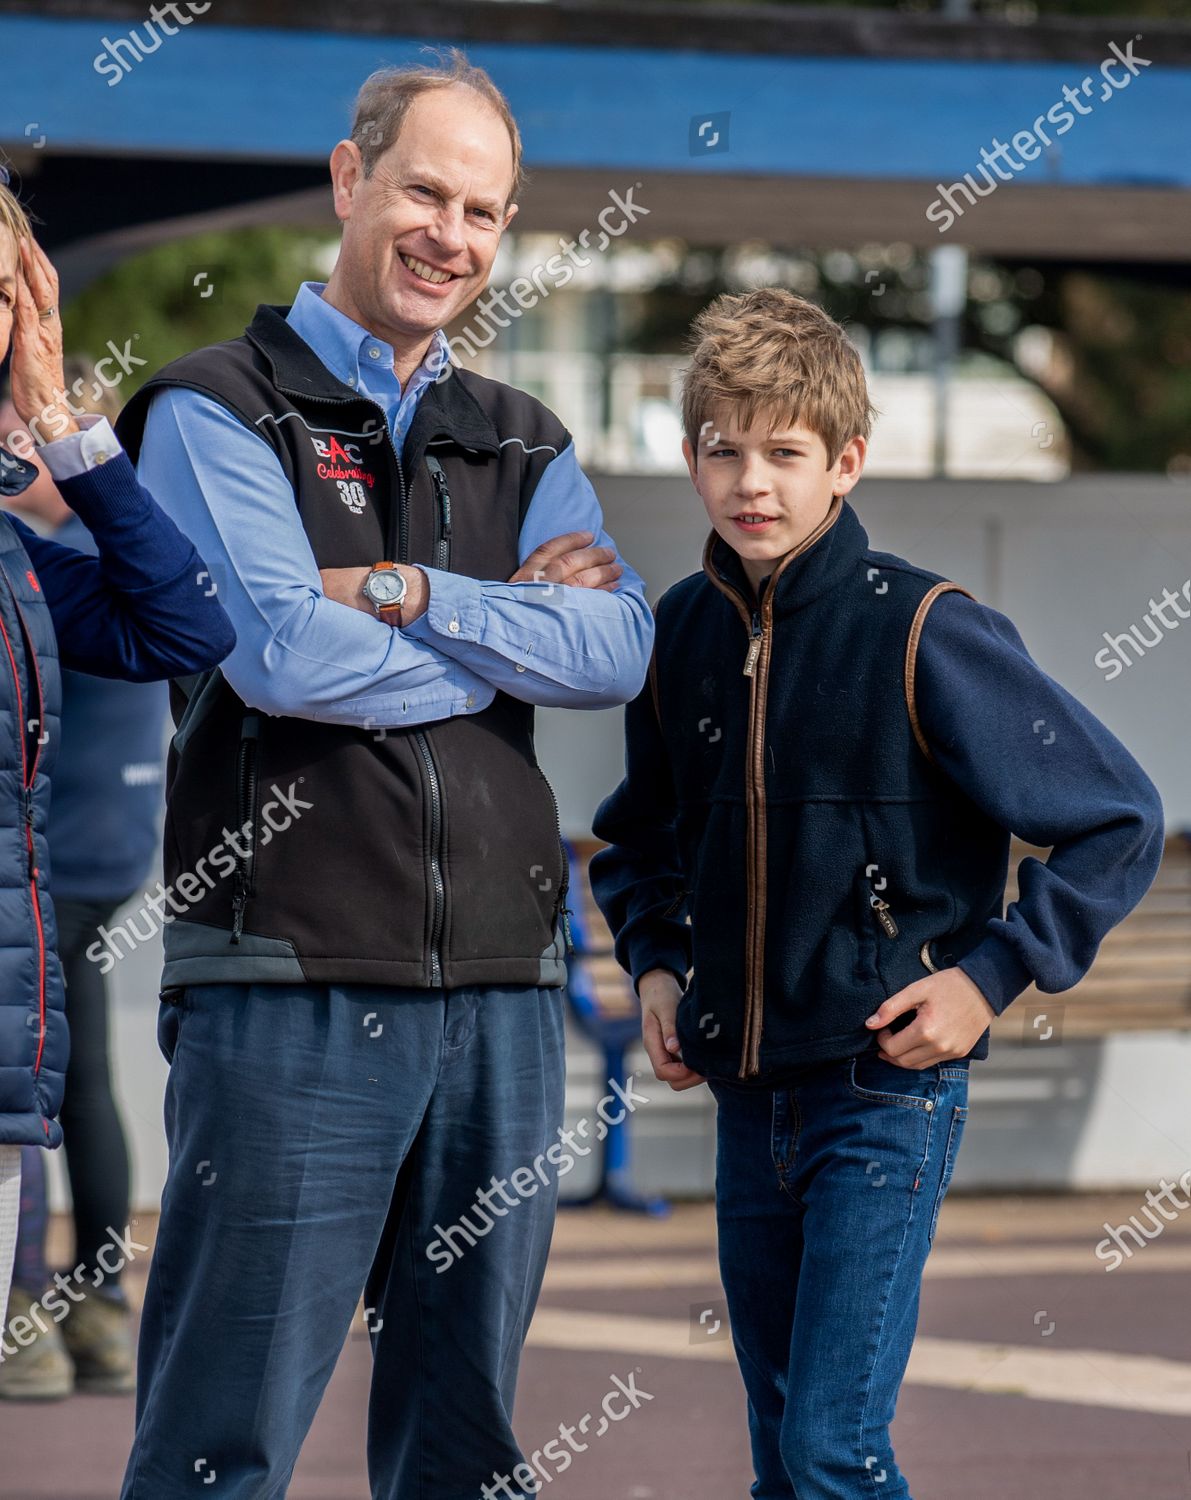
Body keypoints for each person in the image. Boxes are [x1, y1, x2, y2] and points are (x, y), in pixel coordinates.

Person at [112, 51, 651, 1500]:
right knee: (225, 1435)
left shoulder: (520, 433)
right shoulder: (212, 411)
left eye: (484, 211)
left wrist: (407, 593)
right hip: (291, 982)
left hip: (503, 994)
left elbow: (613, 646)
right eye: (424, 190)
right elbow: (282, 656)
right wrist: (503, 625)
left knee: (464, 1440)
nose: (450, 235)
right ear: (350, 181)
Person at [591, 287, 1165, 1500]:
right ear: (690, 455)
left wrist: (990, 976)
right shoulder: (679, 631)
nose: (755, 481)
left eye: (787, 453)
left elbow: (1119, 818)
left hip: (883, 1093)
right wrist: (653, 962)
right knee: (779, 1450)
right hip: (750, 1102)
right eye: (724, 449)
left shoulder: (923, 629)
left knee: (830, 1452)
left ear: (847, 462)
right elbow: (635, 839)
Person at [0, 172, 235, 1338]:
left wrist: (68, 433)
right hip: (83, 869)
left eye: (4, 296)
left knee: (67, 1080)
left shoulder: (24, 560)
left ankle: (70, 1296)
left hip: (66, 890)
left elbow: (189, 625)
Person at [0, 359, 170, 1401]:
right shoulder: (121, 558)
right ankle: (95, 1305)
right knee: (79, 1077)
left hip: (49, 863)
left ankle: (36, 1310)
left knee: (34, 1083)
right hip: (110, 855)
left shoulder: (50, 567)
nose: (28, 446)